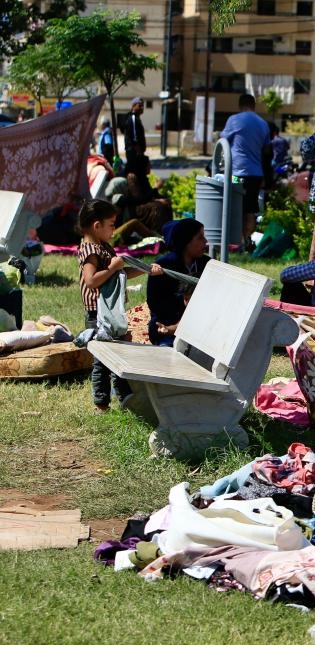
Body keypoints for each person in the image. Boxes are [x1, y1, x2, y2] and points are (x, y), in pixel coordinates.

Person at [76, 199, 162, 411]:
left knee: (120, 354)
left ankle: (125, 399)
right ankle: (101, 403)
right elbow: (91, 280)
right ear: (97, 226)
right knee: (102, 358)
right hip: (99, 313)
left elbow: (121, 272)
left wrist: (145, 269)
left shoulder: (103, 246)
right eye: (112, 224)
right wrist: (113, 267)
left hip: (112, 311)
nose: (114, 229)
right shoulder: (90, 250)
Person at [219, 93, 271, 249]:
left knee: (234, 205)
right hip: (255, 174)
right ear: (254, 105)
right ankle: (248, 240)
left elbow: (222, 143)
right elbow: (267, 151)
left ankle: (235, 241)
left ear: (240, 105)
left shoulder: (234, 120)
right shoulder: (263, 123)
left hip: (236, 174)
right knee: (251, 207)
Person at [147, 218, 210, 346]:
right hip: (166, 323)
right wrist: (184, 303)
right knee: (169, 351)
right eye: (200, 237)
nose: (205, 241)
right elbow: (155, 303)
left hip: (200, 324)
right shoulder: (163, 266)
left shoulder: (207, 264)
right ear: (186, 242)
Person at [123, 97, 147, 165]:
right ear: (133, 106)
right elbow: (134, 137)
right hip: (134, 152)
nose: (142, 108)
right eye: (139, 105)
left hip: (136, 152)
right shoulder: (133, 118)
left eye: (142, 106)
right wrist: (139, 152)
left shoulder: (137, 118)